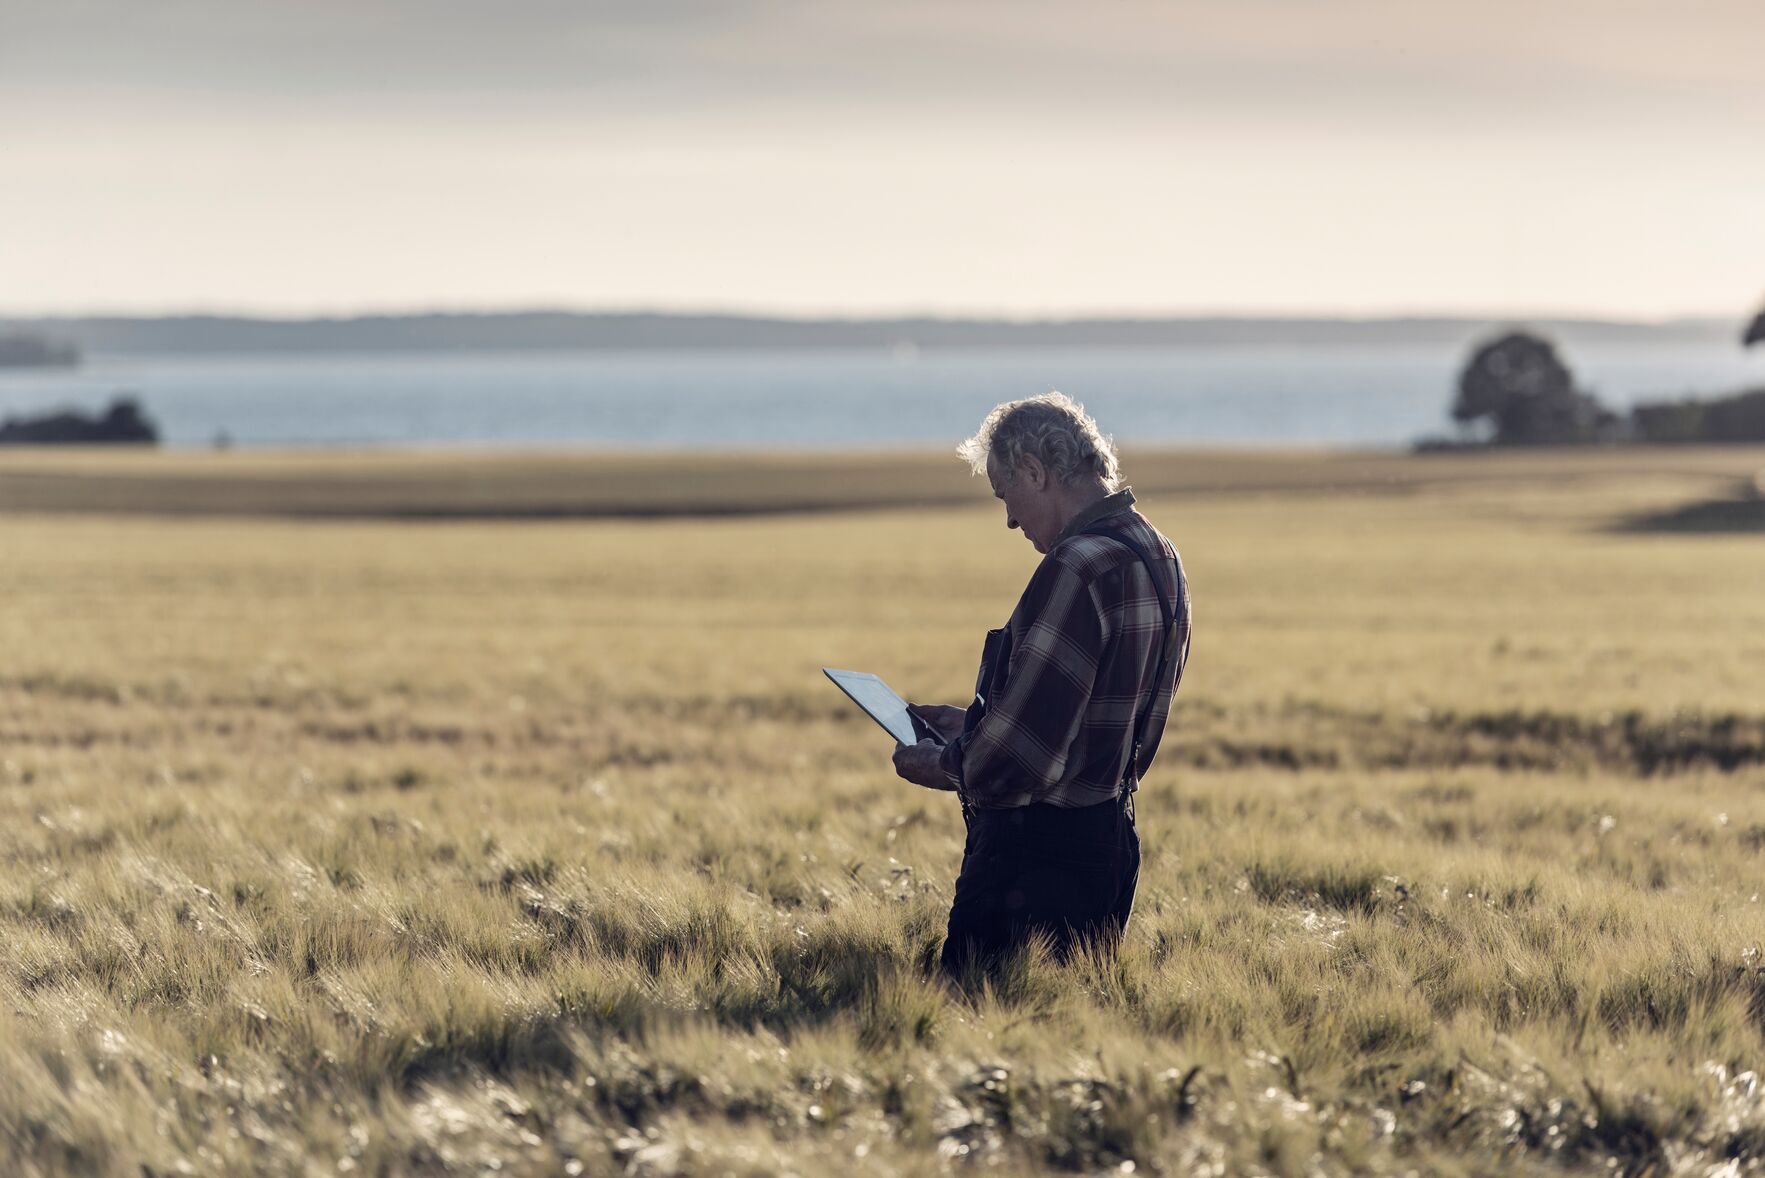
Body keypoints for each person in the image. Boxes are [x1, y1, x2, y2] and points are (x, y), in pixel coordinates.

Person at [892, 392, 1190, 978]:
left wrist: (948, 763)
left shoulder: (1078, 567)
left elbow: (1021, 762)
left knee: (977, 1020)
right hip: (1109, 845)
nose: (1009, 520)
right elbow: (1077, 717)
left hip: (1035, 863)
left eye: (1008, 496)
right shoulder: (1159, 553)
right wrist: (979, 725)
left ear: (1036, 471)